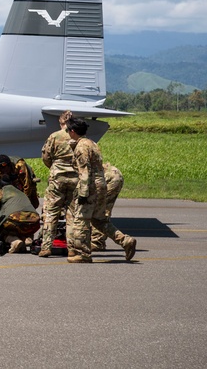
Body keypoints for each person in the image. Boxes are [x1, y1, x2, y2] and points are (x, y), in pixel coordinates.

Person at [66, 118, 137, 263]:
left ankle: (84, 254)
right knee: (99, 220)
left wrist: (83, 193)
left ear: (73, 132)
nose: (67, 133)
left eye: (68, 130)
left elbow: (84, 170)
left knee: (81, 220)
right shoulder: (91, 143)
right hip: (101, 184)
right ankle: (125, 240)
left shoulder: (81, 147)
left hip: (90, 186)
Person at [38, 111, 78, 258]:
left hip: (57, 178)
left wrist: (55, 167)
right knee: (71, 215)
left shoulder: (54, 136)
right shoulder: (78, 137)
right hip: (75, 178)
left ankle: (46, 247)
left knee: (51, 212)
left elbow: (46, 156)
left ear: (61, 122)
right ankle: (72, 248)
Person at [0, 182, 42, 253]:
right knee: (20, 226)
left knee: (2, 230)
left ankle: (14, 241)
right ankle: (25, 240)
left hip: (16, 218)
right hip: (34, 221)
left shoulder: (0, 193)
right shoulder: (21, 193)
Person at [91, 162, 125, 251]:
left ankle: (97, 242)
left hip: (109, 178)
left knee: (98, 211)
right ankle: (97, 240)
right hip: (114, 174)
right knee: (104, 209)